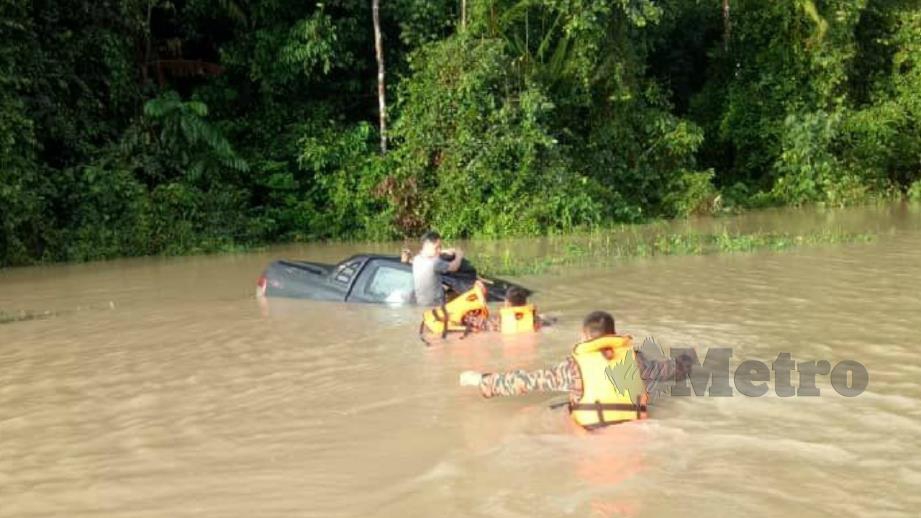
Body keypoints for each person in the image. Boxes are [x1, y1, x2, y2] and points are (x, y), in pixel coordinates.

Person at [460, 311, 685, 429]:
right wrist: (686, 362)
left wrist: (480, 379)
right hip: (635, 429)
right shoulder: (635, 361)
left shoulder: (573, 367)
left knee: (536, 411)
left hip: (590, 433)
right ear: (614, 334)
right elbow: (670, 371)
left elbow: (526, 382)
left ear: (584, 336)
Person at [412, 230, 464, 306]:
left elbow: (431, 255)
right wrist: (459, 256)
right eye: (436, 247)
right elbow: (454, 267)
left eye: (440, 247)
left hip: (422, 304)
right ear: (427, 245)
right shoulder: (435, 263)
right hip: (436, 305)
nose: (439, 250)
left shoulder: (416, 259)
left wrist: (444, 251)